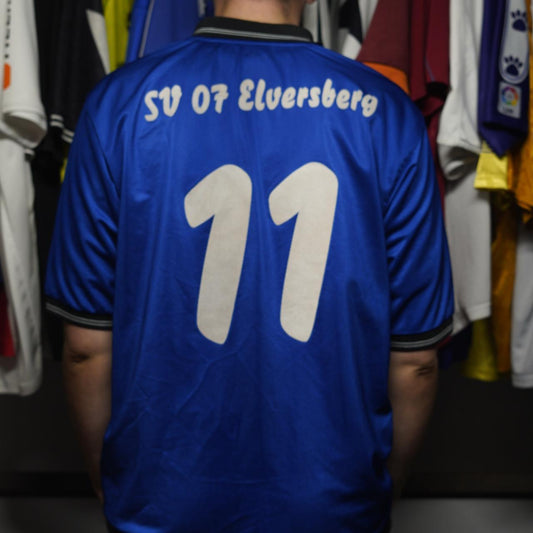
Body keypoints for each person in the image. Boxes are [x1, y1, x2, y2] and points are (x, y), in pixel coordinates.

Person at [44, 0, 454, 531]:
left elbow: (85, 348)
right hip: (332, 505)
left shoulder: (118, 105)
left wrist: (111, 484)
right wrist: (382, 491)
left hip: (161, 505)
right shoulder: (388, 114)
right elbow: (415, 362)